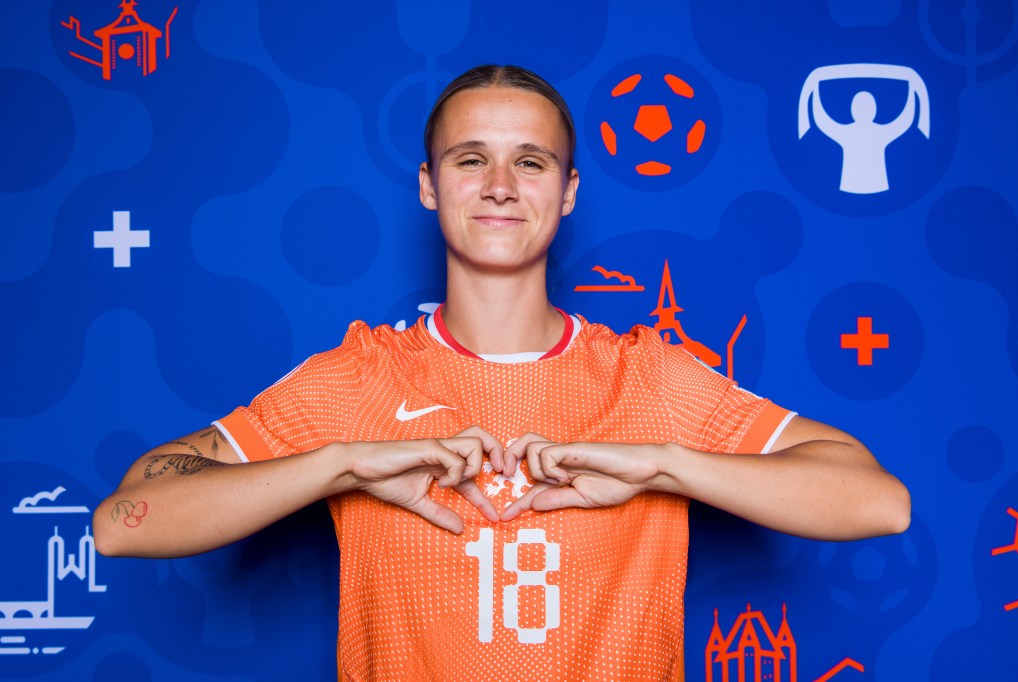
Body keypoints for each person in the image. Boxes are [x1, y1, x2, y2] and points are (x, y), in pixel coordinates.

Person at [95, 64, 911, 680]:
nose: (497, 186)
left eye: (530, 162)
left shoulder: (651, 380)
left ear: (568, 192)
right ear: (427, 185)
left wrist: (668, 465)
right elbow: (125, 518)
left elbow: (880, 503)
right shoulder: (354, 379)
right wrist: (336, 465)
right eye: (468, 159)